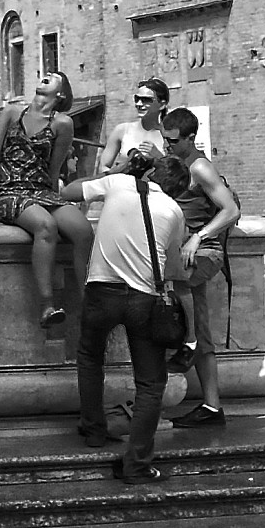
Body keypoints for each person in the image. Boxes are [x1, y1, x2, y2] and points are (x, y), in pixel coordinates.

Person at [75, 150, 190, 484]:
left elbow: (68, 191)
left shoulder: (118, 183)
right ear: (176, 189)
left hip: (102, 291)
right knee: (151, 384)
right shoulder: (174, 210)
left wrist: (122, 168)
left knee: (89, 357)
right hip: (143, 298)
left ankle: (94, 430)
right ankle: (136, 463)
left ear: (150, 173)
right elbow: (171, 268)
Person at [0, 71, 86, 332]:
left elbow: (54, 169)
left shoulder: (63, 123)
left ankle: (88, 302)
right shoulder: (12, 113)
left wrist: (59, 199)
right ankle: (47, 304)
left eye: (53, 76)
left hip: (40, 191)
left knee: (82, 230)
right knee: (46, 226)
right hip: (6, 191)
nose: (45, 75)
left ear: (61, 94)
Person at [160, 109, 243, 429]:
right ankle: (212, 406)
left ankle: (188, 342)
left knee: (172, 282)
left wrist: (198, 236)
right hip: (184, 254)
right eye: (165, 140)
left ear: (191, 138)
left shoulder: (201, 168)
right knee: (204, 331)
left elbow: (231, 210)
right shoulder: (176, 164)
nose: (168, 146)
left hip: (202, 254)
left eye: (173, 141)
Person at [97, 78, 171, 174]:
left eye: (146, 100)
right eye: (137, 99)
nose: (139, 104)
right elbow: (103, 167)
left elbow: (174, 173)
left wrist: (158, 158)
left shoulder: (168, 134)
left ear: (162, 105)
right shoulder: (122, 130)